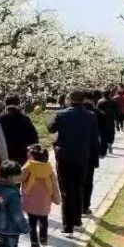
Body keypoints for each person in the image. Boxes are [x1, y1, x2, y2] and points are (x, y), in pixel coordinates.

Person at [48, 91, 98, 236]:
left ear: (70, 100)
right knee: (79, 188)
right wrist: (94, 160)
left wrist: (55, 115)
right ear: (82, 101)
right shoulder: (91, 116)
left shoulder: (62, 114)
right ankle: (77, 221)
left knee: (66, 191)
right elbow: (95, 140)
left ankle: (67, 226)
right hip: (83, 157)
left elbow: (50, 128)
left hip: (64, 156)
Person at [21, 144, 60, 247]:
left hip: (30, 200)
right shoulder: (49, 170)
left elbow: (20, 179)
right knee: (44, 221)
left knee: (31, 222)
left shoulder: (27, 167)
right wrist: (57, 199)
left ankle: (34, 242)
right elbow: (55, 186)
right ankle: (43, 238)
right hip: (44, 201)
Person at [0, 94, 39, 166]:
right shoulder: (25, 119)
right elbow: (34, 138)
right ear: (19, 103)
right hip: (21, 155)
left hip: (3, 157)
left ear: (5, 104)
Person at [84, 93, 108, 213]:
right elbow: (104, 134)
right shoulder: (99, 114)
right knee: (88, 179)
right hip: (92, 150)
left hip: (74, 151)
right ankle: (85, 206)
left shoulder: (71, 112)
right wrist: (103, 150)